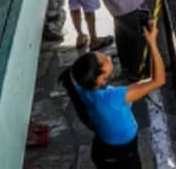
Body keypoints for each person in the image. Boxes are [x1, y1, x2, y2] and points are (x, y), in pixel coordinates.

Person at [63, 17, 165, 168]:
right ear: (99, 79)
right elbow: (158, 80)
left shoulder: (82, 87)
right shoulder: (112, 98)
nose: (110, 57)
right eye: (106, 60)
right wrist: (152, 43)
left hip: (103, 148)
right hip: (122, 154)